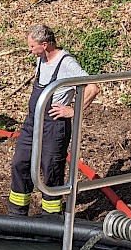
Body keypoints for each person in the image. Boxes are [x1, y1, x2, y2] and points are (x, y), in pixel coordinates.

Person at [7, 24, 100, 216]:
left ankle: (50, 218)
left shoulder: (66, 63)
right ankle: (16, 214)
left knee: (51, 168)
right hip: (33, 122)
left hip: (53, 125)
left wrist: (74, 110)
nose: (29, 50)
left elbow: (93, 87)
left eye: (32, 46)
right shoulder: (41, 60)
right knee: (20, 162)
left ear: (45, 44)